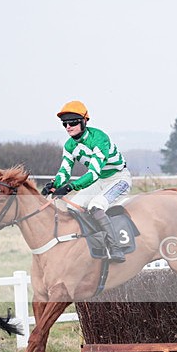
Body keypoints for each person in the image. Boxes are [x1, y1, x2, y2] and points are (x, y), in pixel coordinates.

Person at [42, 100, 132, 263]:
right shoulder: (69, 145)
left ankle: (115, 248)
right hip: (99, 181)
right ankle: (90, 242)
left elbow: (94, 172)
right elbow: (65, 171)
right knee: (71, 207)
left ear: (84, 121)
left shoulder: (99, 138)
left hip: (119, 179)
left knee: (95, 205)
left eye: (72, 122)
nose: (68, 126)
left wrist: (70, 187)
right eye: (64, 124)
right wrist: (55, 184)